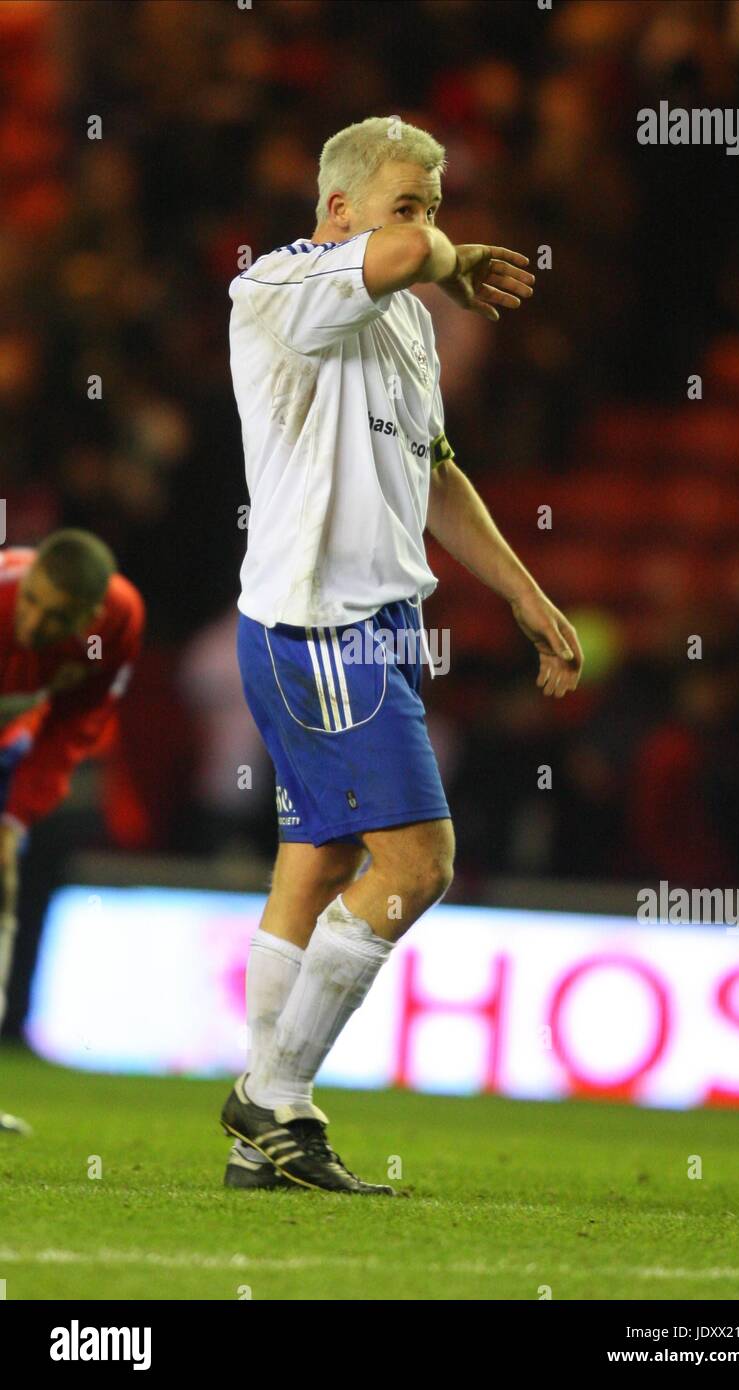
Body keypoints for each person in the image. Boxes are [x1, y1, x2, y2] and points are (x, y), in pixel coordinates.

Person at [223, 116, 583, 1195]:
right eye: (408, 204)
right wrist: (444, 255)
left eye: (436, 206)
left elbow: (432, 475)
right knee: (419, 864)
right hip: (320, 622)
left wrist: (525, 593)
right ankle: (274, 1094)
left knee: (321, 864)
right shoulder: (282, 289)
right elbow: (403, 260)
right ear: (338, 210)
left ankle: (263, 1141)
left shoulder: (412, 330)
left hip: (370, 624)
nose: (429, 229)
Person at [0, 530, 145, 1133]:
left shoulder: (116, 622)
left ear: (87, 617)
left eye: (54, 616)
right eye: (31, 601)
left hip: (12, 742)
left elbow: (74, 727)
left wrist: (15, 818)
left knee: (3, 885)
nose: (33, 623)